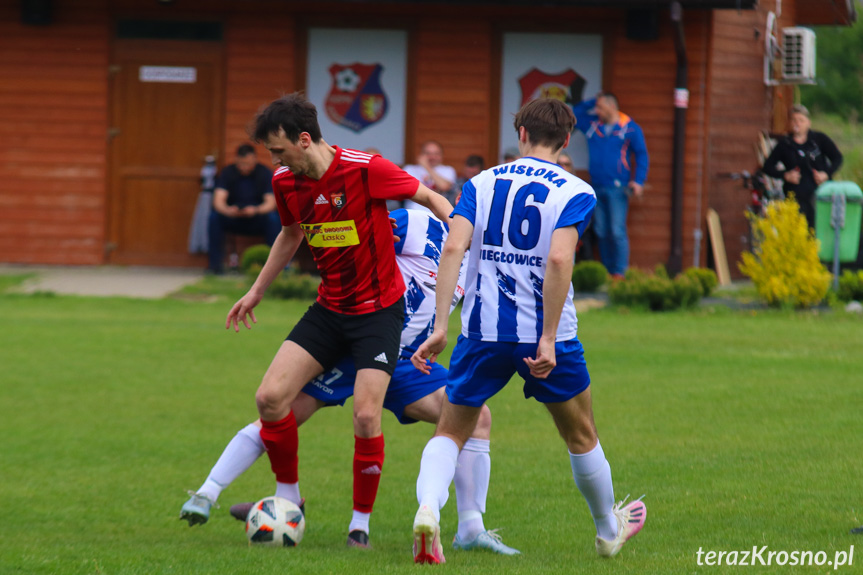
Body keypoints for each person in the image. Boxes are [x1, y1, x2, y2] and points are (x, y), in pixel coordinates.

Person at [180, 208, 519, 555]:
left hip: (407, 363)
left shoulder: (484, 257)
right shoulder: (419, 224)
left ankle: (470, 530)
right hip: (357, 347)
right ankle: (213, 491)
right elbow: (362, 235)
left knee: (477, 417)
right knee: (281, 412)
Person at [409, 98, 646, 565]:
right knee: (581, 433)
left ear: (520, 135)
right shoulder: (575, 190)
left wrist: (440, 326)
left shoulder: (480, 182)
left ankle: (428, 511)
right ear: (564, 143)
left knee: (451, 431)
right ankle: (607, 530)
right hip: (546, 338)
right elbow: (559, 258)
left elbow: (454, 245)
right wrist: (547, 336)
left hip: (482, 331)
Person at [225, 93, 453, 548]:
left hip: (379, 314)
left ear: (304, 139)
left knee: (368, 416)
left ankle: (359, 527)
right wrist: (257, 290)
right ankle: (287, 498)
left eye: (278, 149)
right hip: (330, 310)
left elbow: (429, 196)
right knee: (269, 398)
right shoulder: (287, 181)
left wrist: (461, 237)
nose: (275, 160)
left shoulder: (367, 168)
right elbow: (291, 235)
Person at [571, 92, 649, 278]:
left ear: (612, 106)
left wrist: (638, 181)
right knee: (601, 230)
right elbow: (575, 113)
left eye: (600, 107)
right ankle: (606, 272)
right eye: (596, 107)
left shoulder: (629, 128)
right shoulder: (592, 125)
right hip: (596, 185)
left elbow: (641, 155)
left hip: (618, 187)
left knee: (616, 230)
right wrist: (594, 99)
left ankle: (620, 273)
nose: (597, 111)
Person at [762, 104, 843, 230]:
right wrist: (785, 175)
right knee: (801, 230)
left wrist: (826, 174)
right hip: (796, 197)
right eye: (794, 120)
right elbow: (767, 167)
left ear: (808, 123)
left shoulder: (819, 139)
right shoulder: (785, 144)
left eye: (801, 120)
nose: (797, 123)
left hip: (821, 194)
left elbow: (838, 158)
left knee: (822, 229)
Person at [207, 144, 282, 274]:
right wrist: (228, 210)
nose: (244, 167)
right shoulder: (228, 172)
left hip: (257, 217)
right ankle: (215, 266)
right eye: (242, 163)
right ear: (236, 160)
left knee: (273, 219)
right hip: (233, 217)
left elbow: (270, 204)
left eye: (247, 163)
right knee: (214, 218)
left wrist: (255, 210)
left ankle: (277, 267)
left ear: (254, 159)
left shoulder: (264, 173)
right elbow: (218, 201)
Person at [559, 152, 595, 262]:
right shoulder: (546, 188)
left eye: (567, 164)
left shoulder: (579, 189)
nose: (563, 167)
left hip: (574, 231)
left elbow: (586, 217)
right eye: (559, 163)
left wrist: (575, 233)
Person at [403, 141, 457, 212]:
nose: (432, 157)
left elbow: (444, 186)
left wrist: (426, 167)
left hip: (439, 213)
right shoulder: (409, 169)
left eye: (436, 154)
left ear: (441, 155)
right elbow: (405, 190)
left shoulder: (448, 170)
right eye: (428, 153)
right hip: (413, 211)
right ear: (421, 155)